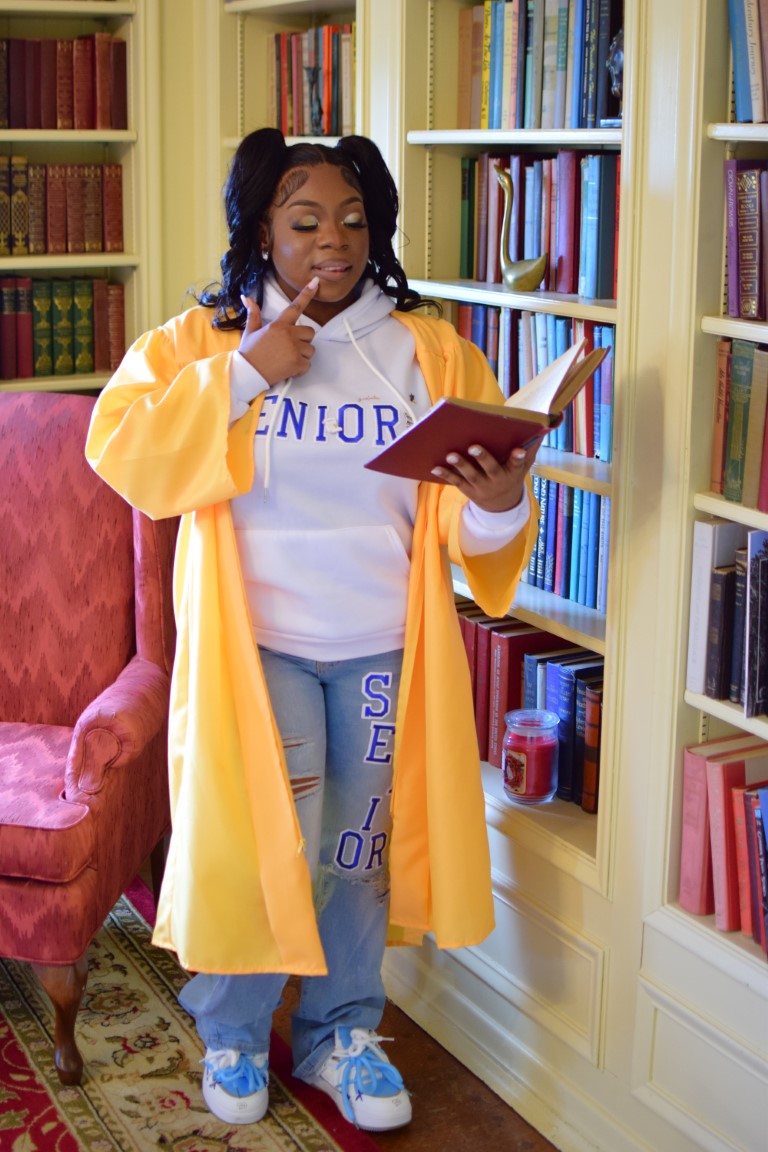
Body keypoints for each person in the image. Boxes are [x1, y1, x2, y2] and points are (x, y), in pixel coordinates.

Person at [85, 129, 540, 1132]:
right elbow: (121, 449)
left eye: (352, 219)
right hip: (260, 650)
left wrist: (500, 500)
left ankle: (340, 1033)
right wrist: (246, 374)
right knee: (266, 846)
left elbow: (465, 525)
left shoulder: (429, 351)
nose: (333, 238)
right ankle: (236, 1033)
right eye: (304, 221)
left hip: (382, 646)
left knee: (355, 850)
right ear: (262, 231)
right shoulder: (202, 342)